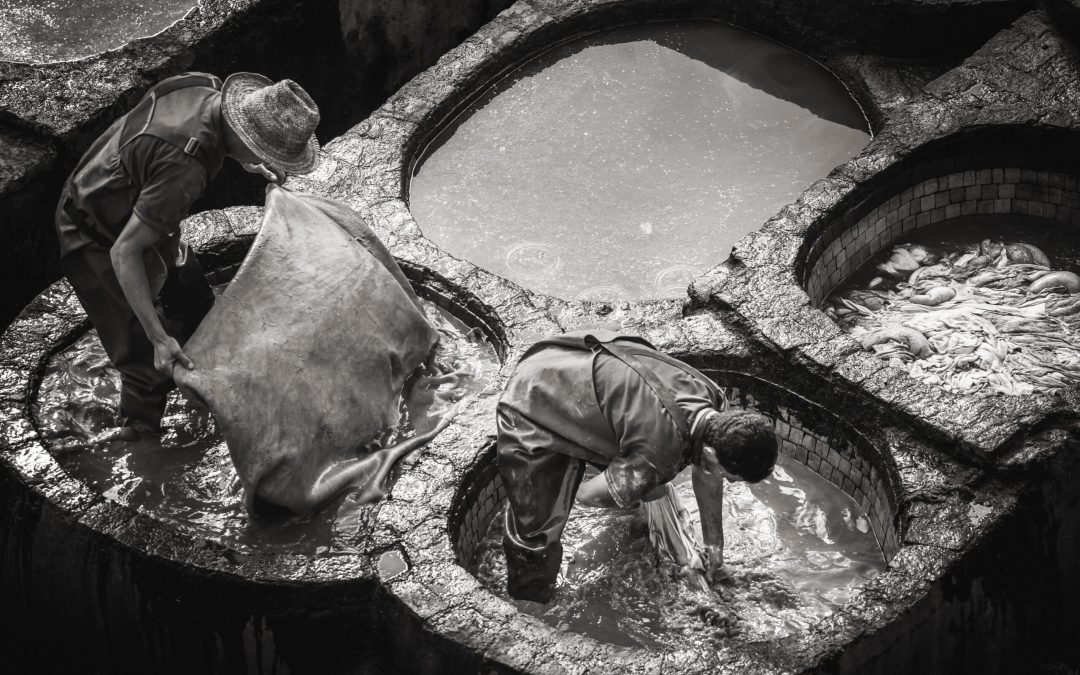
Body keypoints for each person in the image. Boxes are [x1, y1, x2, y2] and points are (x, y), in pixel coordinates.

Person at [54, 71, 320, 440]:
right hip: (95, 232)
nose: (265, 159)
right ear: (244, 134)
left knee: (196, 305)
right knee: (146, 359)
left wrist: (246, 160)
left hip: (141, 206)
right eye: (263, 151)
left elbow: (176, 158)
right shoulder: (184, 168)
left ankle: (202, 388)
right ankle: (138, 435)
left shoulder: (206, 87)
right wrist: (158, 338)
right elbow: (125, 252)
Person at [496, 329, 779, 603]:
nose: (728, 481)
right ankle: (529, 607)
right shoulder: (660, 452)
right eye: (730, 477)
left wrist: (714, 545)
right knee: (536, 537)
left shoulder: (714, 403)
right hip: (532, 398)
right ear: (711, 453)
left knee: (642, 484)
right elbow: (588, 496)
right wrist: (567, 487)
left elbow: (707, 472)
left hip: (569, 358)